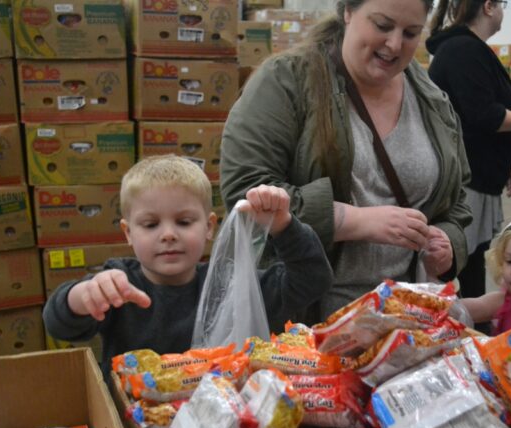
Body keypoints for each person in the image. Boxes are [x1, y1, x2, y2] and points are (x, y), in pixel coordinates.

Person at [220, 0, 473, 321]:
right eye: (382, 25)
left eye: (411, 33)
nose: (395, 44)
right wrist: (356, 221)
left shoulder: (430, 98)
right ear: (348, 12)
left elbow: (457, 198)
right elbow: (245, 192)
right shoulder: (287, 80)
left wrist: (448, 242)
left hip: (410, 321)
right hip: (307, 323)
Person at [43, 155, 333, 377]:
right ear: (128, 232)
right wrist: (82, 297)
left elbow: (312, 279)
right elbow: (59, 325)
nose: (168, 234)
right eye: (150, 224)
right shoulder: (120, 286)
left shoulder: (231, 287)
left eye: (184, 222)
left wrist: (283, 225)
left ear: (209, 227)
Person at [425, 0, 511, 325]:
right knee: (464, 261)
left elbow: (476, 110)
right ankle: (463, 331)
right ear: (489, 7)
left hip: (481, 176)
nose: (504, 10)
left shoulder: (472, 49)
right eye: (502, 4)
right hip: (467, 181)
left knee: (474, 258)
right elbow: (481, 113)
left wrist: (505, 163)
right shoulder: (462, 49)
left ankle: (471, 332)